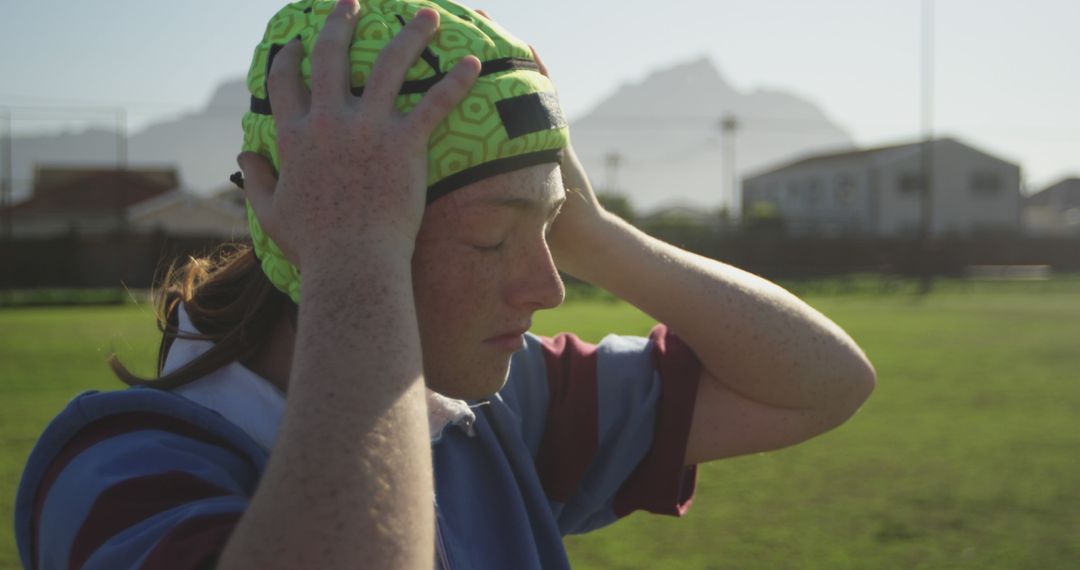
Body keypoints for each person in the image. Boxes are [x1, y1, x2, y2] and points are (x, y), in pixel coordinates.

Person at [14, 0, 876, 568]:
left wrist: (596, 233)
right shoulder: (118, 472)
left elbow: (821, 383)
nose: (547, 286)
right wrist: (354, 252)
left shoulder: (498, 403)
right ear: (315, 235)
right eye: (492, 240)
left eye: (546, 230)